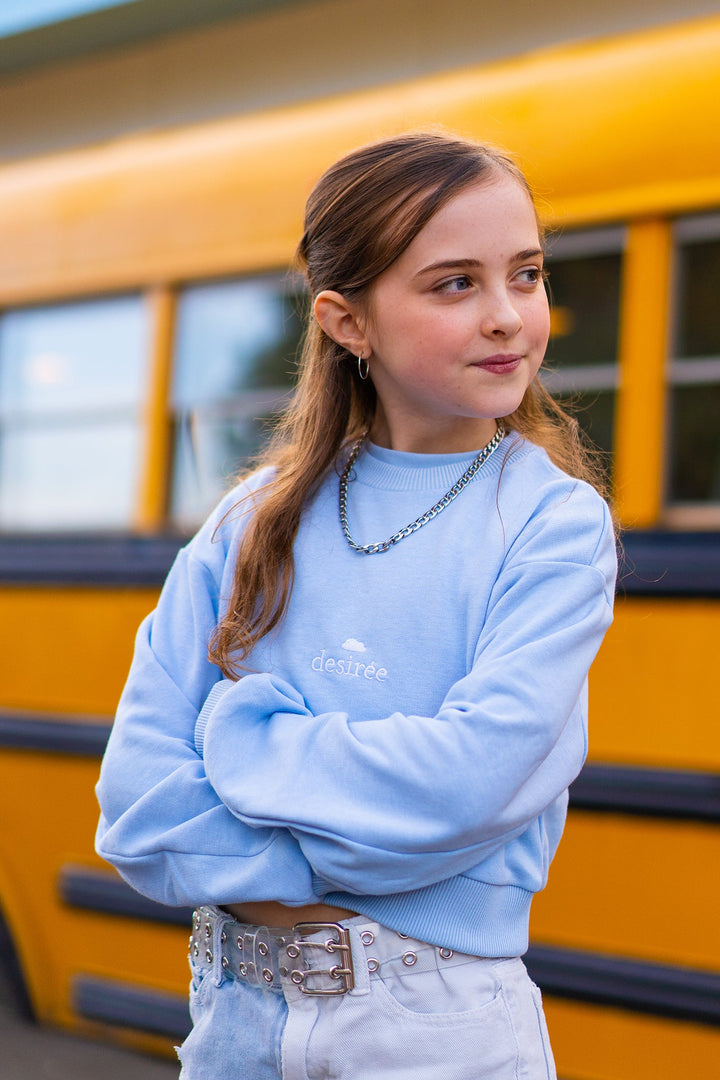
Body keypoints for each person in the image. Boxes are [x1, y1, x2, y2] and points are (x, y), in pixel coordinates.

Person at [95, 131, 617, 1080]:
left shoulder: (554, 525)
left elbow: (467, 782)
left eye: (527, 274)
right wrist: (393, 858)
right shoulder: (251, 521)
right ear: (347, 322)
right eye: (454, 283)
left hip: (438, 1027)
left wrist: (242, 743)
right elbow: (137, 809)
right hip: (234, 1022)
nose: (509, 315)